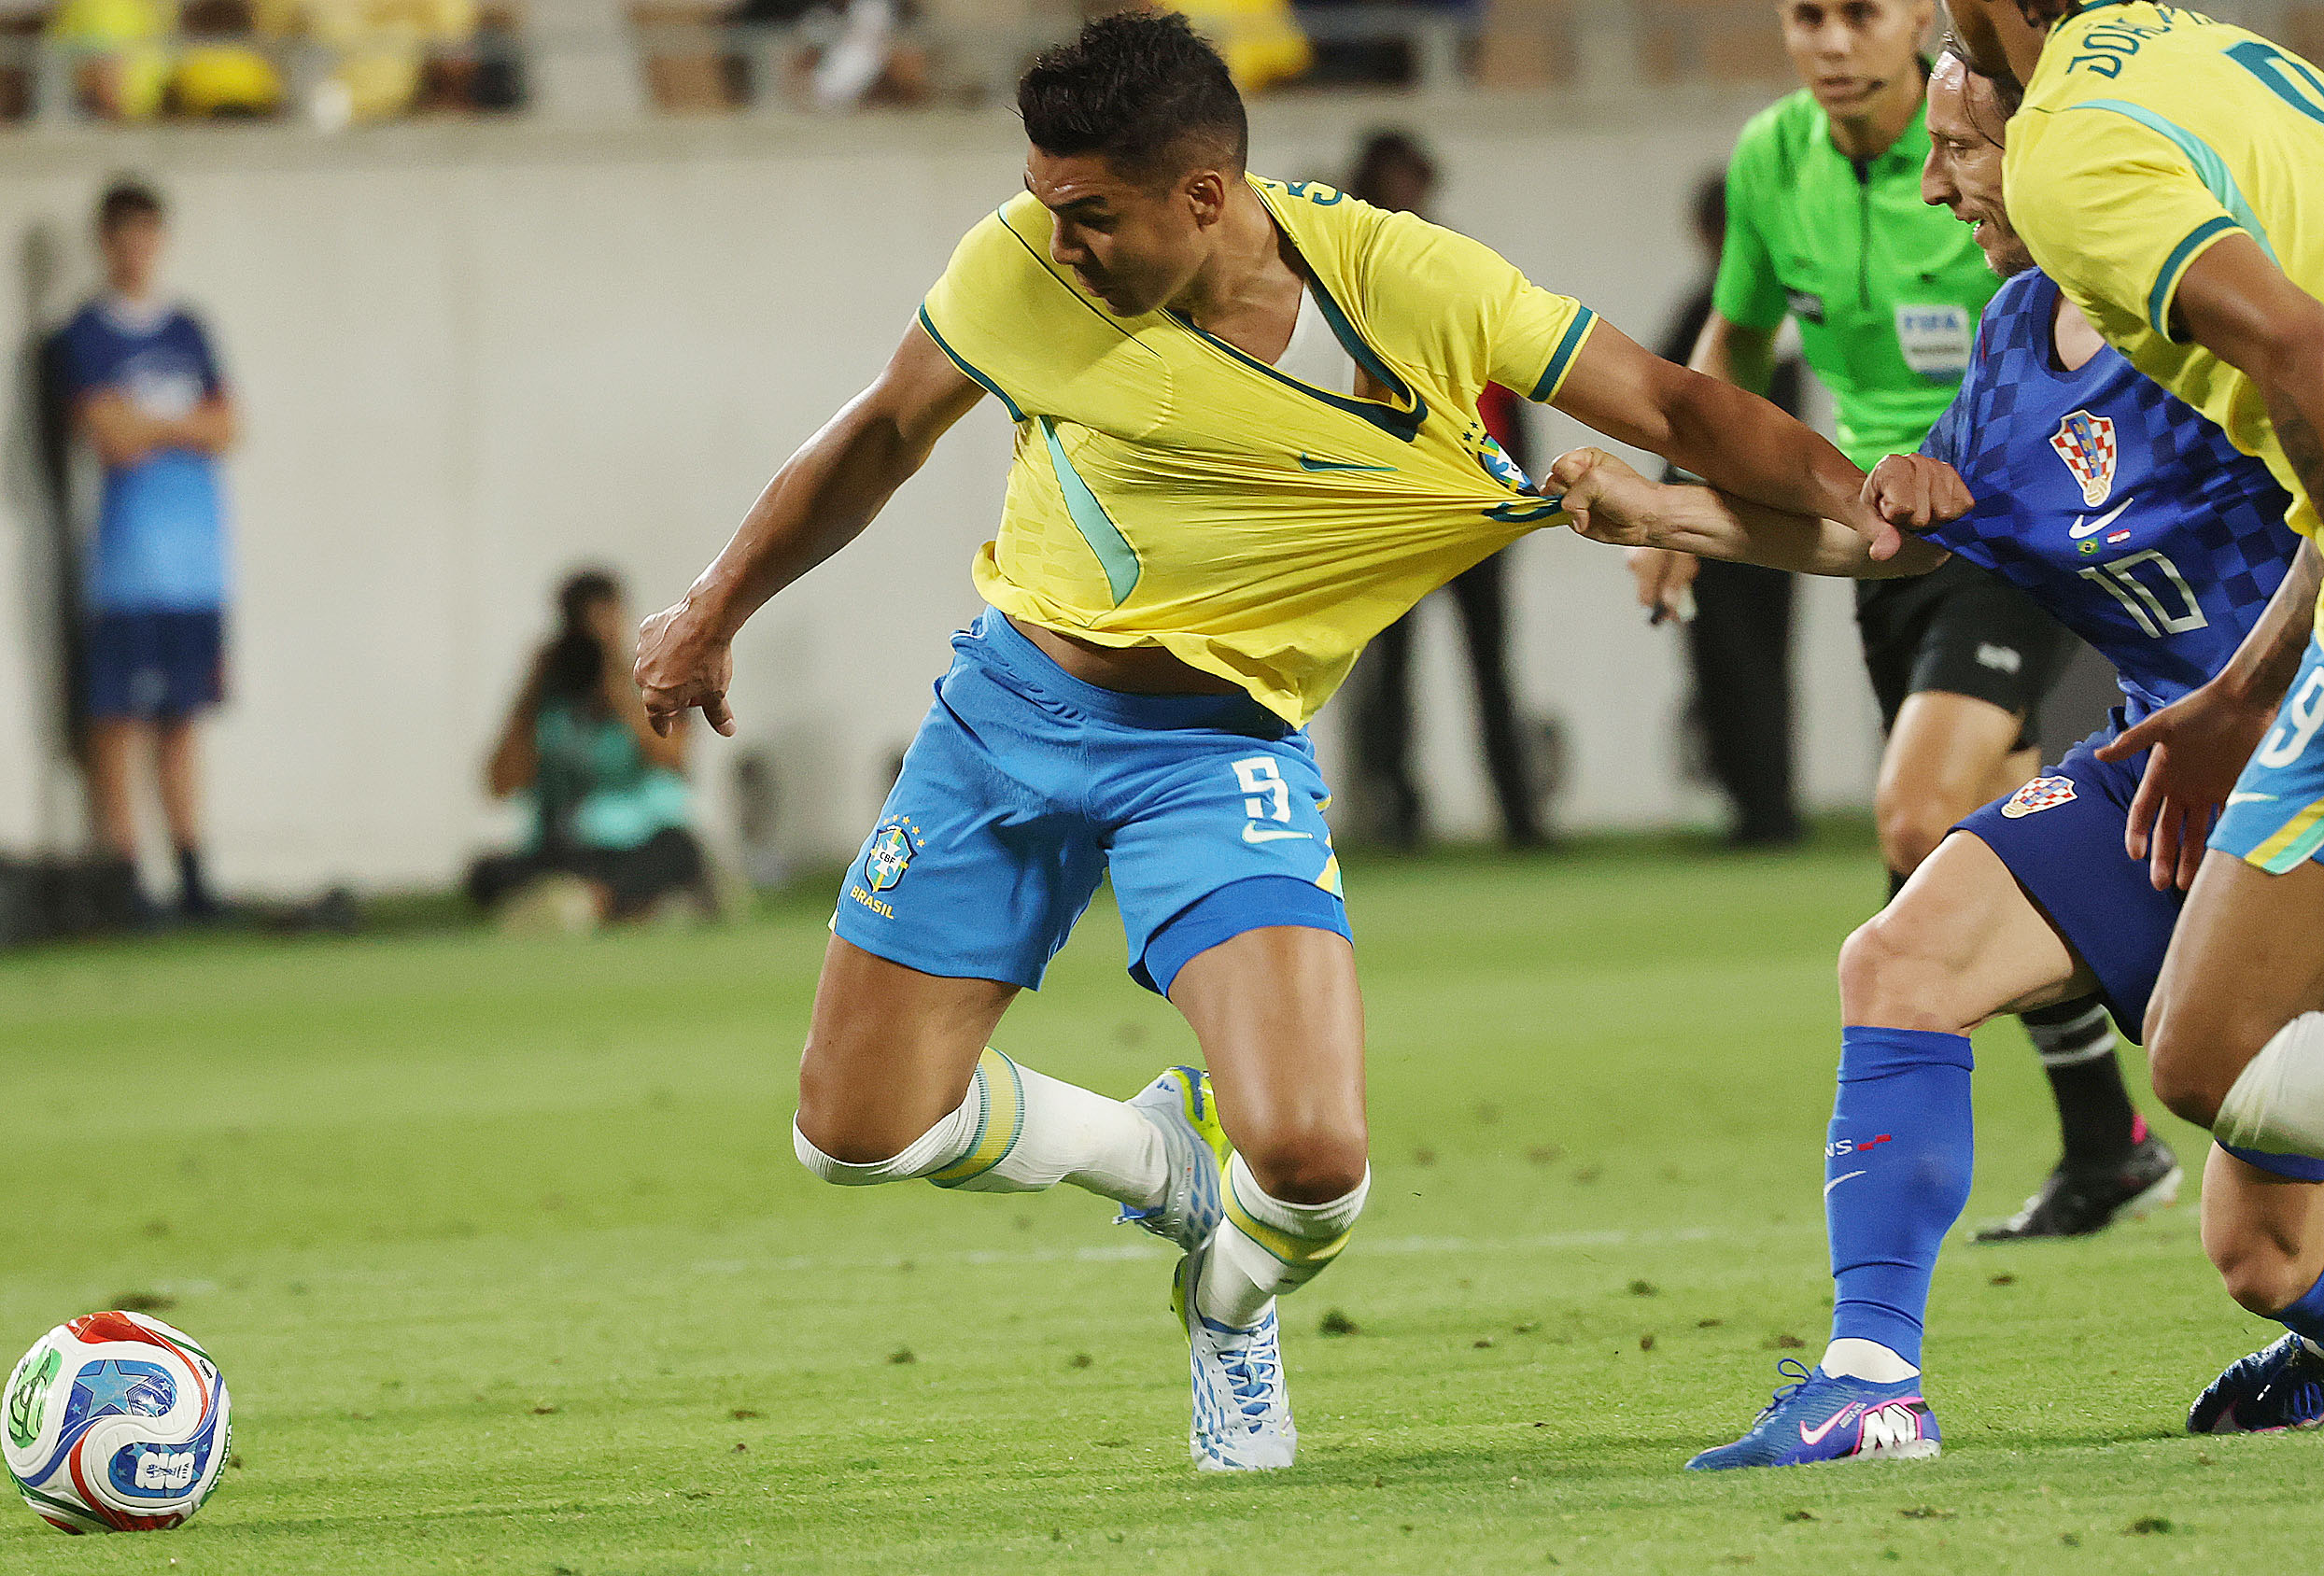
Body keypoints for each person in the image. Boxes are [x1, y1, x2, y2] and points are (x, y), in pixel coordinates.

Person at [632, 11, 1890, 1472]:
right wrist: (715, 604)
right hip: (1001, 719)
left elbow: (1676, 405)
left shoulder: (1406, 285)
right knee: (850, 1132)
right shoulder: (1023, 263)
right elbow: (880, 435)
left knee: (1309, 1167)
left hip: (1213, 752)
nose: (1060, 239)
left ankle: (1231, 1307)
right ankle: (1155, 1159)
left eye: (1091, 212)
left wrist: (1877, 501)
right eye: (1046, 203)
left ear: (1206, 198)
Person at [1548, 49, 2303, 1466]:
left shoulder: (2218, 314)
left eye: (1966, 147)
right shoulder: (2018, 331)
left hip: (2293, 767)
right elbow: (1871, 540)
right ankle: (1870, 1381)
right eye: (1935, 148)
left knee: (2260, 1254)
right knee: (1900, 959)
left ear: (2066, 149)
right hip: (2156, 772)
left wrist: (2256, 701)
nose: (1938, 179)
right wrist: (1664, 514)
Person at [1635, 0, 2157, 1241]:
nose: (1827, 42)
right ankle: (2105, 1140)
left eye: (1856, 14)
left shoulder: (2014, 151)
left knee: (1916, 814)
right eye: (1804, 15)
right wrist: (1683, 504)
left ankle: (1906, 1095)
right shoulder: (1773, 160)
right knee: (2008, 827)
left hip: (1996, 526)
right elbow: (1739, 340)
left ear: (1917, 26)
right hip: (1869, 534)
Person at [1935, 0, 2324, 1433]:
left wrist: (2254, 678)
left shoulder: (2067, 148)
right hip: (2270, 655)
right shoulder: (2195, 49)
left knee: (2208, 1056)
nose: (1941, 177)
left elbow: (2303, 347)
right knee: (2256, 1233)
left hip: (2289, 642)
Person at [1343, 129, 1545, 849]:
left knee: (1490, 666)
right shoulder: (1347, 283)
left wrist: (1519, 488)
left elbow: (1509, 385)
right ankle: (1395, 813)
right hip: (1393, 505)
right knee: (1388, 673)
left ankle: (1519, 813)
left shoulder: (1459, 271)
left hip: (1476, 496)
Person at [57, 180, 239, 922]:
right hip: (129, 563)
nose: (136, 249)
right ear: (105, 242)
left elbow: (227, 428)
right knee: (118, 721)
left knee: (183, 719)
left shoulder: (189, 328)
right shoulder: (88, 334)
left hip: (198, 563)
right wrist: (178, 425)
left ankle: (192, 871)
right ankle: (124, 873)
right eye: (122, 235)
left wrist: (153, 425)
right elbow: (106, 433)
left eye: (147, 233)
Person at [1655, 170, 1806, 848]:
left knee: (1734, 667)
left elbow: (1665, 421)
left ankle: (1761, 809)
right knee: (1762, 666)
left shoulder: (1709, 315)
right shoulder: (1778, 312)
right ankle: (1768, 804)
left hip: (1717, 522)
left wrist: (1668, 523)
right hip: (1775, 519)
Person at [471, 570, 711, 930]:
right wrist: (530, 690)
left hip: (639, 837)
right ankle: (613, 904)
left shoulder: (657, 681)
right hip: (568, 844)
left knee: (680, 853)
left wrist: (622, 691)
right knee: (485, 873)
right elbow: (499, 784)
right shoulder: (551, 695)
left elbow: (675, 761)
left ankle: (590, 902)